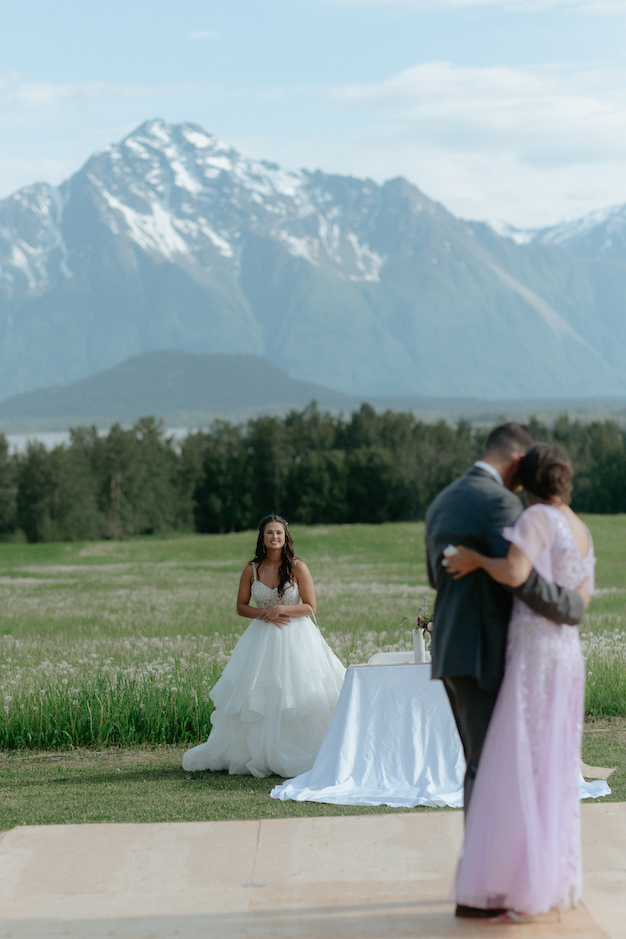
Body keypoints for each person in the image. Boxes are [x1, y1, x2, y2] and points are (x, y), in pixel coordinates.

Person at [424, 423, 586, 919]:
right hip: (490, 652)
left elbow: (438, 575)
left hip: (453, 648)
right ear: (517, 461)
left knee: (480, 764)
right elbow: (523, 581)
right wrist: (571, 606)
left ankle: (491, 878)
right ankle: (485, 890)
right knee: (492, 769)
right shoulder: (503, 505)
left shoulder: (444, 499)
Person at [182, 514, 345, 778]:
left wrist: (282, 608)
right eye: (270, 533)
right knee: (259, 694)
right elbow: (241, 607)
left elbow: (310, 607)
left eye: (279, 533)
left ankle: (300, 749)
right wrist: (264, 614)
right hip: (261, 640)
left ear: (286, 536)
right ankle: (254, 753)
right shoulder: (252, 569)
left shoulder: (297, 566)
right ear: (263, 537)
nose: (275, 537)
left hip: (297, 639)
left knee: (295, 692)